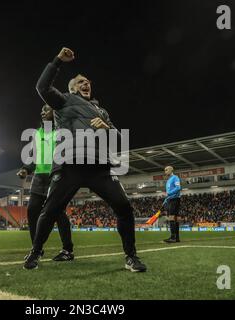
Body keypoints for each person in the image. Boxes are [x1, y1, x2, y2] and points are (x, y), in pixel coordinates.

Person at [23, 47, 146, 272]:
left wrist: (107, 127)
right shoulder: (63, 101)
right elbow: (41, 87)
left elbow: (119, 139)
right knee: (50, 210)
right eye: (81, 81)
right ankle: (35, 252)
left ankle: (131, 257)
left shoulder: (102, 111)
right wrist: (57, 61)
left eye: (87, 81)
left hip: (99, 167)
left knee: (124, 207)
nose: (86, 83)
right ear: (71, 88)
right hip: (70, 166)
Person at [17, 104, 74, 261]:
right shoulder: (37, 133)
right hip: (39, 177)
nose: (42, 112)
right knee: (32, 210)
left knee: (58, 213)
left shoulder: (62, 130)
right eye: (41, 110)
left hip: (56, 175)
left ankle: (68, 250)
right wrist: (25, 169)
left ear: (54, 112)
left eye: (46, 109)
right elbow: (32, 156)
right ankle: (37, 248)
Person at [163, 166, 181, 243]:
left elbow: (178, 188)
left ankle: (173, 237)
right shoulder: (168, 181)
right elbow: (168, 194)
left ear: (171, 170)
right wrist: (165, 200)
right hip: (170, 200)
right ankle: (176, 238)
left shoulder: (175, 178)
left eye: (166, 170)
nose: (165, 172)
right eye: (164, 170)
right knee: (174, 218)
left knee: (171, 217)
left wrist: (169, 193)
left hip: (175, 200)